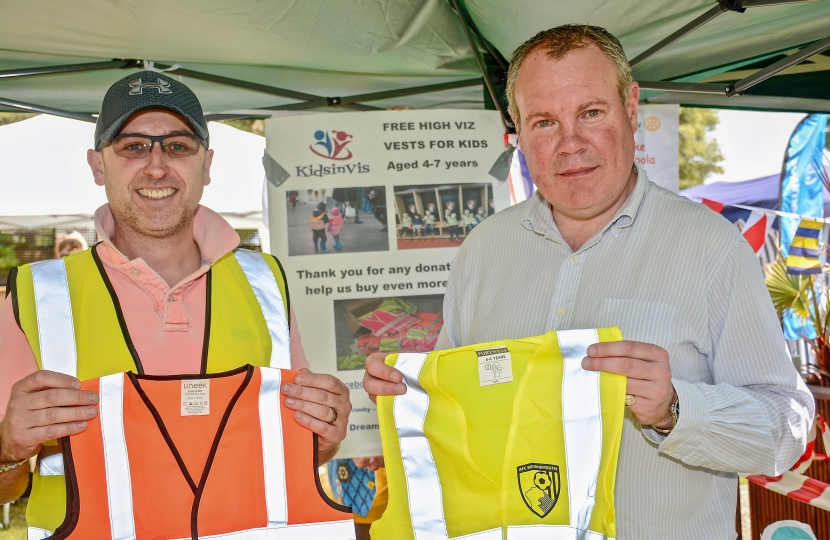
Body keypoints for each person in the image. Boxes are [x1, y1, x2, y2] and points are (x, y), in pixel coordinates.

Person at [364, 25, 813, 539]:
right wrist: (412, 392)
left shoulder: (712, 247)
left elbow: (788, 428)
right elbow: (457, 410)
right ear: (517, 128)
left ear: (631, 105)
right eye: (544, 122)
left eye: (591, 113)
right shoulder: (483, 251)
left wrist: (676, 408)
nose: (569, 143)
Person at [0, 71, 351, 527]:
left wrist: (325, 433)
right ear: (97, 165)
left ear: (206, 165)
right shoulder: (35, 296)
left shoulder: (266, 282)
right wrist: (8, 447)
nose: (157, 166)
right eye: (133, 146)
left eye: (178, 146)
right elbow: (9, 482)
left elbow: (300, 453)